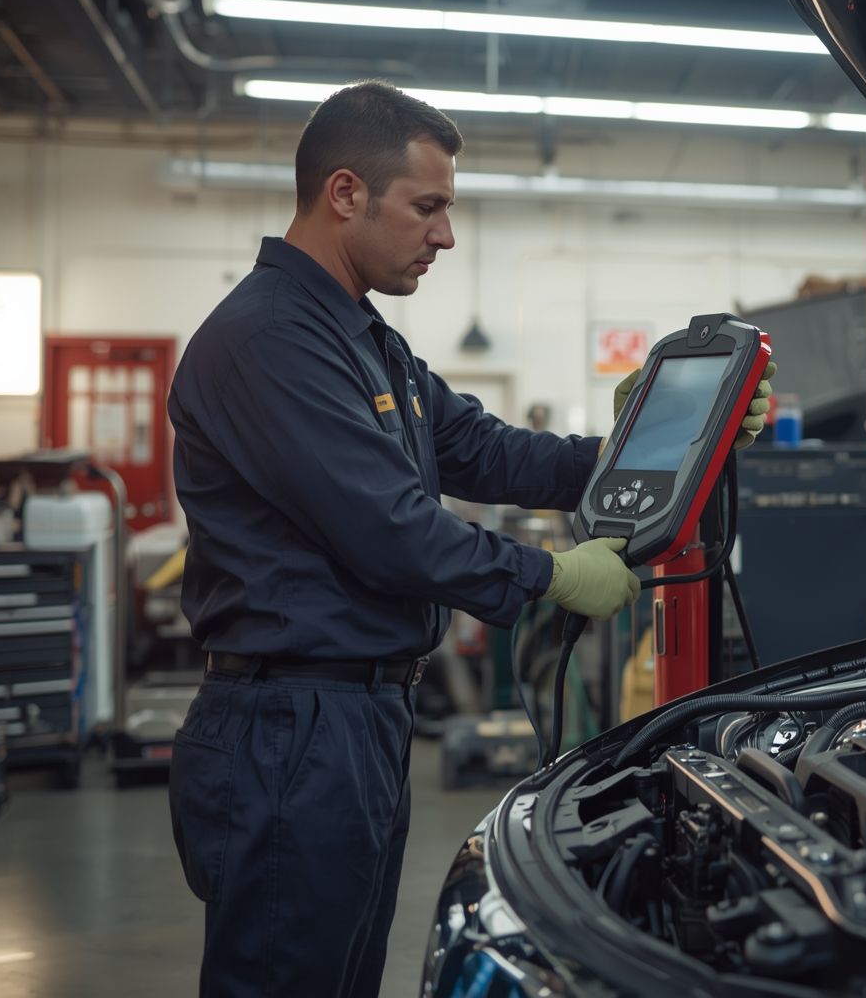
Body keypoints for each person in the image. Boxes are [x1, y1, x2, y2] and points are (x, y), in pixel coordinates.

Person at [165, 81, 772, 997]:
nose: (445, 235)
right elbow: (389, 531)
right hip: (289, 729)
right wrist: (549, 576)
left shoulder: (364, 339)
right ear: (344, 194)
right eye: (428, 206)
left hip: (354, 723)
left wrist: (661, 439)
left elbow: (484, 450)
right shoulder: (267, 339)